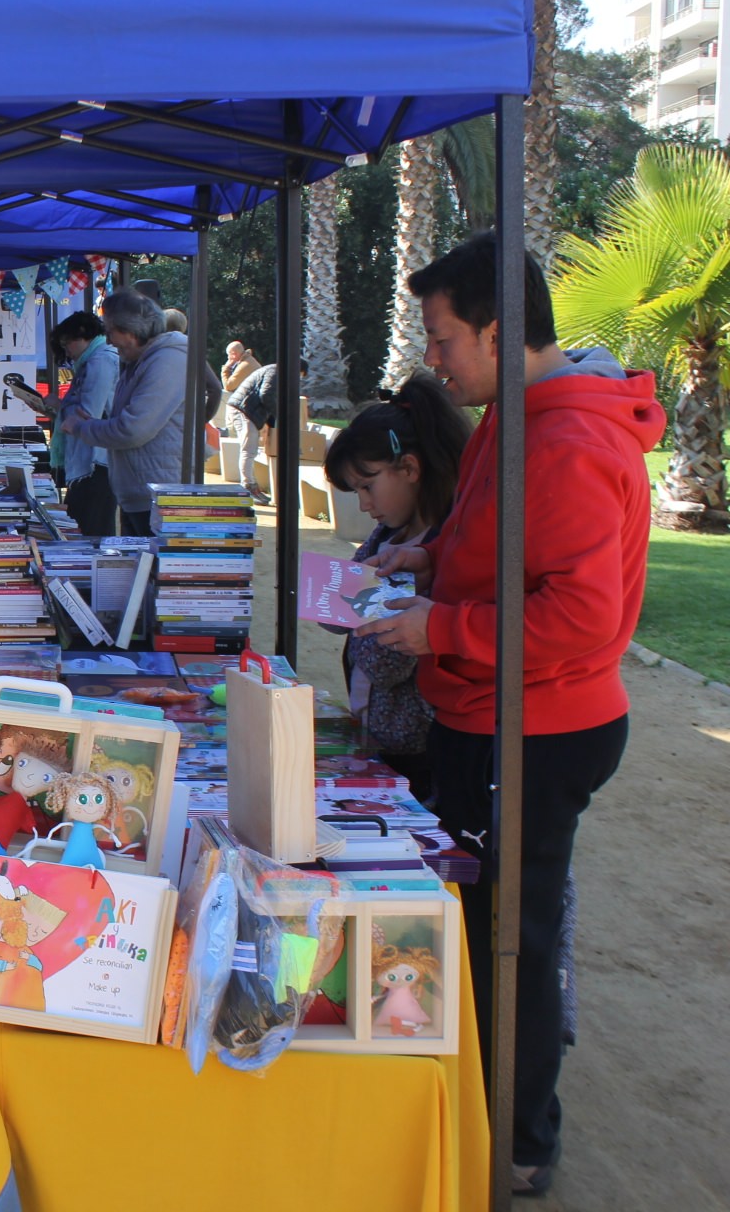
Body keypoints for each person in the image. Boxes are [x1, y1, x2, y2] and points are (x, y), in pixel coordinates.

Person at [355, 232, 664, 1199]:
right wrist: (429, 561)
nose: (433, 359)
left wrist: (442, 624)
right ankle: (487, 1106)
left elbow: (578, 616)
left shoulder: (566, 437)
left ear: (497, 332)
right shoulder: (512, 419)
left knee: (510, 938)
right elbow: (494, 542)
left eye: (444, 338)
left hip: (535, 727)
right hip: (496, 713)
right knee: (490, 921)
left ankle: (519, 1138)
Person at [319, 372, 471, 800]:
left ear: (409, 468)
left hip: (417, 749)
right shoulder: (390, 535)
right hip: (380, 737)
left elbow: (387, 663)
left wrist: (351, 611)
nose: (364, 504)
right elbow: (346, 607)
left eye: (368, 487)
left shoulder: (442, 547)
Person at [59, 289, 187, 537]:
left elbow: (131, 429)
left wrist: (81, 427)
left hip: (159, 495)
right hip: (140, 492)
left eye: (110, 332)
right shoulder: (141, 359)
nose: (108, 341)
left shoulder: (168, 359)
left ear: (131, 331)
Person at [45, 311, 120, 537]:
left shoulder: (101, 361)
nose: (67, 352)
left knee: (89, 530)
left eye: (67, 345)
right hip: (91, 462)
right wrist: (56, 410)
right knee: (84, 525)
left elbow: (89, 412)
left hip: (96, 462)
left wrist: (61, 409)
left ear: (82, 336)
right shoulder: (93, 361)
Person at [226, 357, 308, 504]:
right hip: (243, 410)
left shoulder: (275, 371)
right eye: (299, 375)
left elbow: (268, 399)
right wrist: (280, 417)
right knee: (248, 449)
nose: (298, 380)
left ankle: (250, 485)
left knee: (249, 449)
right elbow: (267, 395)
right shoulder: (275, 372)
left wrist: (273, 425)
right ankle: (248, 487)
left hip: (245, 409)